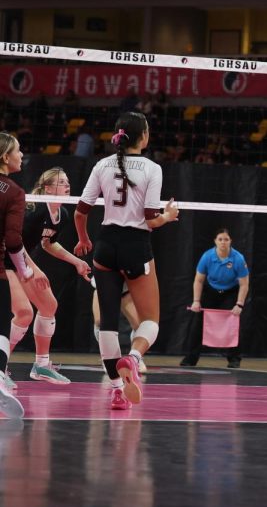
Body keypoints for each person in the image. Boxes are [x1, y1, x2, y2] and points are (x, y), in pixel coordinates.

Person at [73, 113, 179, 411]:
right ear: (143, 136)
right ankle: (132, 358)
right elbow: (151, 219)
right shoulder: (152, 168)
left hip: (105, 245)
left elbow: (80, 212)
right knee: (150, 320)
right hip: (135, 246)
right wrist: (169, 217)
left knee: (107, 324)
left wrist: (83, 239)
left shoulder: (101, 165)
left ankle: (117, 391)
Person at [13, 168, 89, 384]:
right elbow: (13, 240)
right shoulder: (34, 208)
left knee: (48, 306)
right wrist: (35, 269)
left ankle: (41, 365)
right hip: (7, 260)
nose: (68, 186)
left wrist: (76, 262)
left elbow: (48, 243)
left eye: (68, 181)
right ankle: (0, 369)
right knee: (24, 313)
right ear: (47, 188)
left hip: (21, 262)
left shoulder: (62, 214)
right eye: (61, 182)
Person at [181, 228, 250, 368]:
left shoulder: (238, 258)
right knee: (197, 325)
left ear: (231, 241)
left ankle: (234, 359)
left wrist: (239, 304)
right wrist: (196, 301)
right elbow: (199, 280)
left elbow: (244, 284)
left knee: (233, 324)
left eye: (226, 239)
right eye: (220, 239)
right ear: (215, 241)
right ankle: (190, 358)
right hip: (211, 291)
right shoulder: (207, 256)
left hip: (230, 292)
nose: (223, 242)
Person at [0, 134, 28, 418]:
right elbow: (13, 240)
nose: (22, 155)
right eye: (18, 151)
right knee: (1, 327)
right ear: (6, 157)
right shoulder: (14, 191)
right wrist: (24, 269)